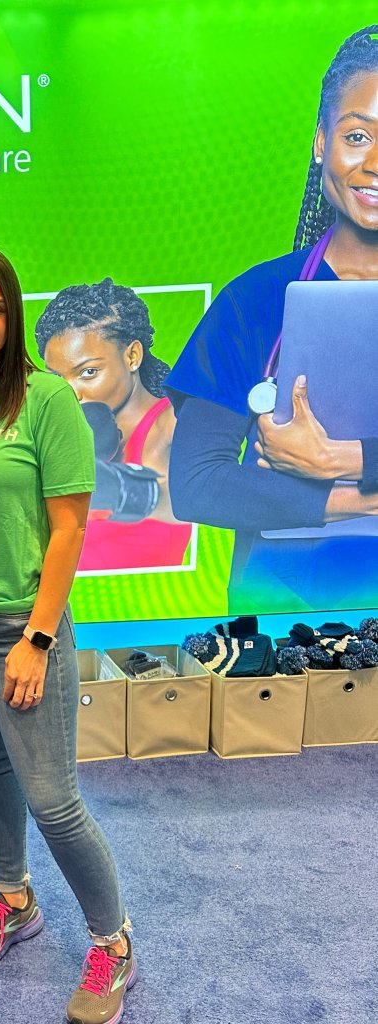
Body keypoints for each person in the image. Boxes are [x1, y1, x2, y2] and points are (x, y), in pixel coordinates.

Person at [0, 249, 135, 1024]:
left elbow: (69, 528)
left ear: (11, 320)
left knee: (53, 798)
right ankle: (13, 898)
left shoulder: (45, 399)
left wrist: (38, 638)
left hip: (21, 627)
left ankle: (113, 942)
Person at [165, 25, 378, 613]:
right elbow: (197, 483)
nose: (374, 163)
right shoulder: (257, 300)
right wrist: (356, 501)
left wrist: (341, 462)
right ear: (319, 143)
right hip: (289, 623)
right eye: (358, 135)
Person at [36, 279, 192, 571]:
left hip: (157, 608)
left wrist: (118, 487)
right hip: (68, 608)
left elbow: (197, 499)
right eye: (57, 378)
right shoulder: (57, 432)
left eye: (88, 372)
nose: (70, 394)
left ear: (132, 356)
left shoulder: (171, 423)